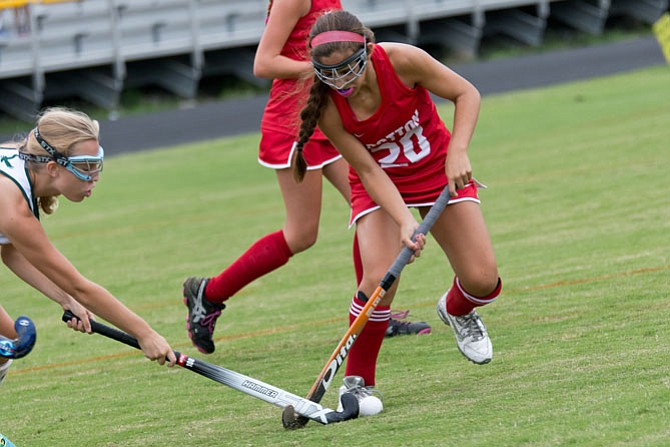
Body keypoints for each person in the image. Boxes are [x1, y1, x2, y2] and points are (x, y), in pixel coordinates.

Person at [182, 0, 429, 355]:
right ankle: (209, 293)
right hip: (295, 124)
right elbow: (264, 63)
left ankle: (374, 312)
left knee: (375, 209)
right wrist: (328, 70)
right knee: (301, 234)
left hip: (332, 118)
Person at [293, 10, 503, 413]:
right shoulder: (329, 108)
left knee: (482, 279)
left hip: (435, 167)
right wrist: (404, 219)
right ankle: (357, 382)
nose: (341, 83)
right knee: (379, 277)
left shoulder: (403, 60)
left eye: (348, 70)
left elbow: (466, 93)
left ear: (368, 52)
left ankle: (457, 310)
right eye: (329, 74)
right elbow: (368, 169)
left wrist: (458, 150)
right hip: (378, 183)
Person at [0, 107, 176, 385]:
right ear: (52, 168)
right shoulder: (14, 203)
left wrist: (66, 299)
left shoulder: (20, 168)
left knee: (7, 343)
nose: (94, 176)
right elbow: (80, 285)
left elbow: (9, 251)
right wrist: (145, 334)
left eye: (96, 164)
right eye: (84, 167)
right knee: (9, 343)